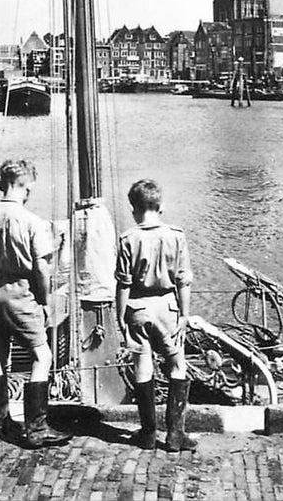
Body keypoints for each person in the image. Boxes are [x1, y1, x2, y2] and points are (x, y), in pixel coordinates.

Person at [0, 159, 71, 448]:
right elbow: (41, 269)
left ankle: (0, 423)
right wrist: (44, 300)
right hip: (21, 295)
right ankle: (37, 429)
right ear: (23, 186)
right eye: (30, 188)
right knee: (43, 357)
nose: (30, 194)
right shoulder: (32, 222)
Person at [115, 179, 197, 452]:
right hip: (168, 308)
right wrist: (184, 315)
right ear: (160, 206)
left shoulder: (127, 238)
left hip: (138, 308)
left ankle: (148, 434)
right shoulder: (176, 235)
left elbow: (123, 284)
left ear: (133, 208)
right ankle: (175, 435)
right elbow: (183, 281)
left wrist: (120, 319)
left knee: (142, 366)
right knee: (177, 366)